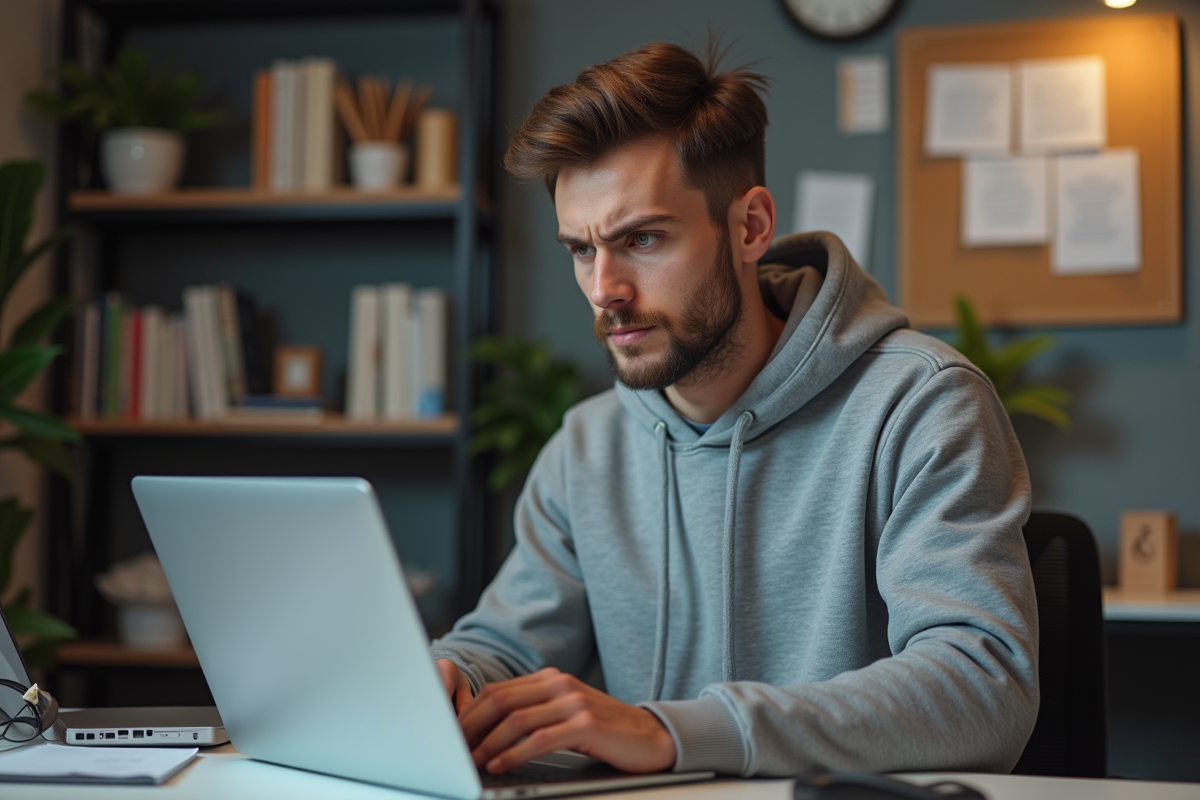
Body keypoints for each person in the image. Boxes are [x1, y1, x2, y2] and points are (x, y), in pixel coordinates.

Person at [430, 42, 1038, 779]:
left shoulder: (921, 403)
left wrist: (680, 731)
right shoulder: (586, 448)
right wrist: (448, 678)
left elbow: (982, 687)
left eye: (642, 239)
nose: (604, 289)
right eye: (582, 250)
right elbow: (506, 650)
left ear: (750, 227)